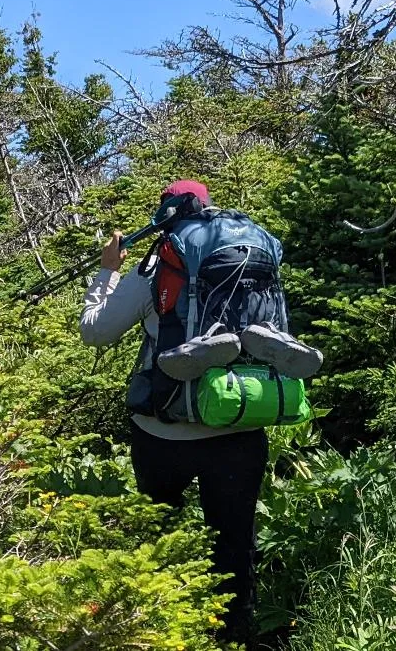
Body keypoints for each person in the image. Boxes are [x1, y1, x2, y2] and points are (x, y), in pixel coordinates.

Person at [79, 180, 320, 646]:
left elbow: (97, 331)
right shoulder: (251, 252)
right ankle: (236, 633)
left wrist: (108, 272)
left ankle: (163, 627)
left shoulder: (159, 266)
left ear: (165, 212)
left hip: (162, 428)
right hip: (240, 420)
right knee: (234, 541)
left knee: (160, 531)